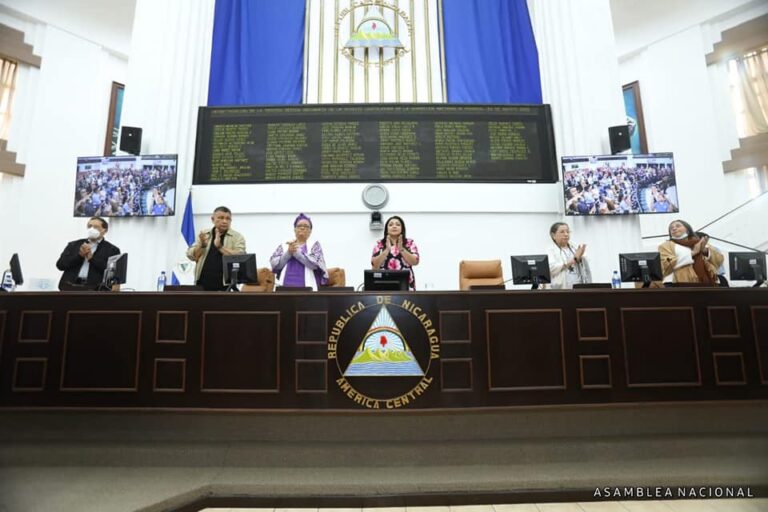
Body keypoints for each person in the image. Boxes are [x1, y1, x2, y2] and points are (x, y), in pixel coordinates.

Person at [186, 206, 246, 291]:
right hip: (202, 283)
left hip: (225, 286)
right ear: (212, 219)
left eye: (228, 218)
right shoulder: (204, 234)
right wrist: (201, 246)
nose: (224, 221)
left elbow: (240, 257)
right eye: (221, 218)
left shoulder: (237, 237)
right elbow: (192, 256)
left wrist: (220, 247)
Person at [56, 216, 120, 290]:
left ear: (104, 231)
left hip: (95, 290)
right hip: (69, 287)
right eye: (89, 226)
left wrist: (92, 259)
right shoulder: (74, 245)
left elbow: (112, 273)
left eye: (96, 227)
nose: (92, 229)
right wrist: (79, 256)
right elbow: (60, 265)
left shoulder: (112, 249)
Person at [270, 213, 328, 290]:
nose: (302, 228)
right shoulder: (285, 245)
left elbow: (315, 265)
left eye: (306, 226)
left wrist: (296, 253)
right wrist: (288, 253)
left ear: (310, 231)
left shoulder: (315, 245)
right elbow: (276, 266)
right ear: (295, 229)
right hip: (285, 287)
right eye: (299, 226)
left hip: (307, 288)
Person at [659, 220, 723, 285]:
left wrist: (704, 250)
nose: (674, 228)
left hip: (707, 283)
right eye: (671, 228)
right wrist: (692, 253)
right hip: (677, 283)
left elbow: (719, 260)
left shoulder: (699, 242)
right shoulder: (666, 246)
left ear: (687, 229)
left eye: (678, 226)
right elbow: (665, 265)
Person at [371, 215, 420, 290]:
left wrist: (401, 249)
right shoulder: (380, 244)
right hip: (383, 284)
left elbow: (415, 262)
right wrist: (387, 250)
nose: (394, 226)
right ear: (386, 229)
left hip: (405, 284)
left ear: (402, 228)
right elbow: (374, 266)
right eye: (391, 225)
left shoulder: (409, 243)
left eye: (398, 224)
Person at [546, 222, 592, 289]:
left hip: (579, 287)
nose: (566, 234)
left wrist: (581, 258)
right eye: (562, 232)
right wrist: (572, 260)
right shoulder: (551, 250)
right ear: (553, 235)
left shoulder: (574, 246)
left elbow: (586, 264)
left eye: (568, 232)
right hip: (561, 288)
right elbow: (551, 268)